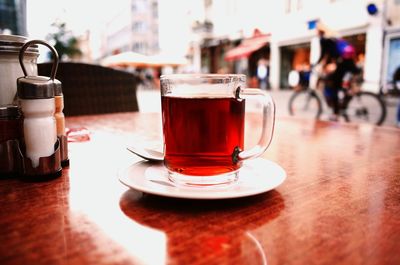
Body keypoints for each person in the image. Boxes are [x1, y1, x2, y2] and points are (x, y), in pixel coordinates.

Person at [316, 25, 361, 120]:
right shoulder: (333, 39)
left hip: (342, 64)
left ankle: (336, 113)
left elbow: (323, 54)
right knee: (338, 84)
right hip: (347, 64)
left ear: (320, 32)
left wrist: (315, 64)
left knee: (333, 87)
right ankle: (345, 100)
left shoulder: (323, 40)